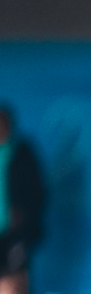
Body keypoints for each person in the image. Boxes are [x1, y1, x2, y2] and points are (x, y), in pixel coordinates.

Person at [0, 105, 47, 277]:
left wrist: (22, 213)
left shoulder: (23, 154)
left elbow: (38, 192)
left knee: (15, 279)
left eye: (3, 122)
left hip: (16, 234)